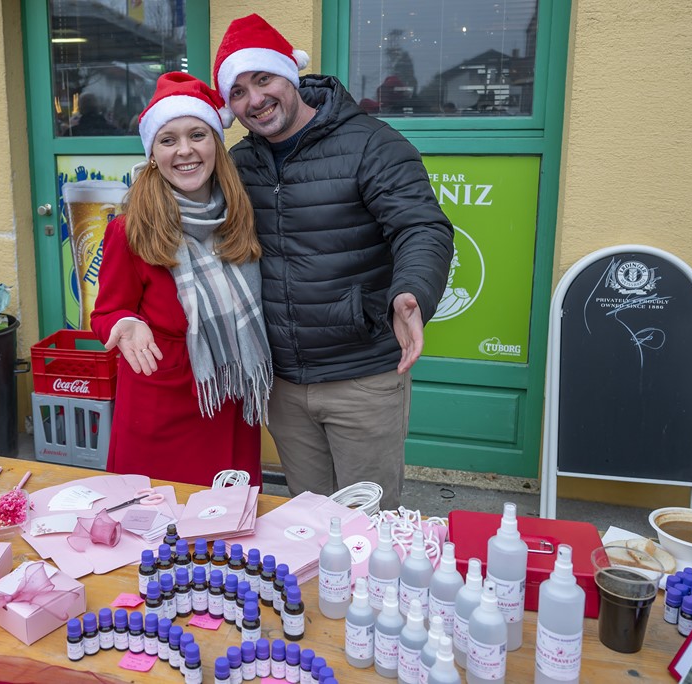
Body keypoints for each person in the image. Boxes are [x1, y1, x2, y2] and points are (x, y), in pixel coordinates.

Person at [213, 15, 454, 508]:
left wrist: (412, 291)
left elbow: (421, 226)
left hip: (361, 377)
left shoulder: (370, 143)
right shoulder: (239, 164)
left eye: (263, 79)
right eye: (238, 92)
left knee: (367, 525)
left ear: (290, 75)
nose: (255, 99)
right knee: (309, 522)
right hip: (283, 383)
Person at [90, 72, 271, 487]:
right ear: (153, 154)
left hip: (230, 400)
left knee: (229, 519)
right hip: (161, 407)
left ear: (216, 145)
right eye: (168, 140)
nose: (185, 150)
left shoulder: (239, 215)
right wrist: (125, 322)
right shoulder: (130, 229)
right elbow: (106, 312)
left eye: (197, 135)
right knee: (158, 518)